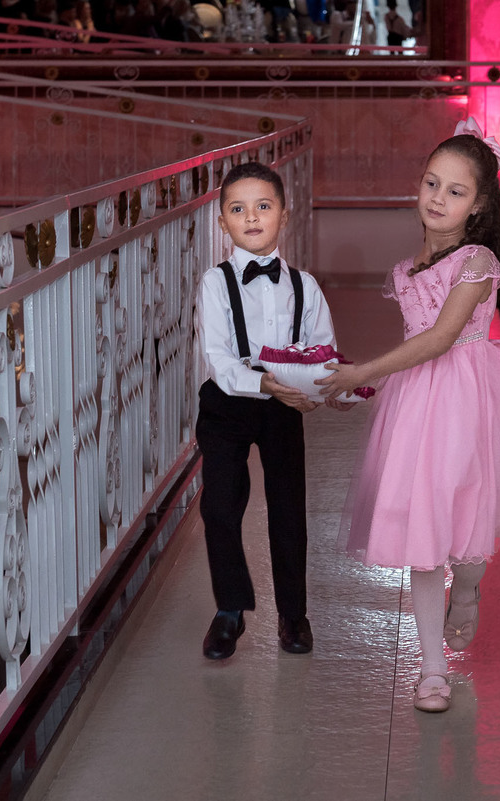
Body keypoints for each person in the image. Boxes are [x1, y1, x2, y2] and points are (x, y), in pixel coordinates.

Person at [316, 118, 500, 712]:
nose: (437, 198)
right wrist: (367, 384)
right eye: (431, 183)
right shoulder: (412, 263)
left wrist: (365, 371)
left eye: (454, 191)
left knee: (465, 528)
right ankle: (432, 666)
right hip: (417, 406)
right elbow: (415, 342)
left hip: (466, 399)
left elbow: (439, 338)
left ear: (479, 204)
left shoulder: (477, 261)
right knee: (425, 529)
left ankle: (469, 593)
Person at [194, 162, 341, 660]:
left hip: (282, 410)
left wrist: (320, 391)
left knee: (288, 507)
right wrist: (267, 383)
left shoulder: (306, 286)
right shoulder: (214, 285)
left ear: (284, 214)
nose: (251, 217)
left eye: (263, 206)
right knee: (220, 505)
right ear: (222, 222)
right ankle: (230, 610)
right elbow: (217, 358)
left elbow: (323, 352)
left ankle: (293, 614)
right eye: (238, 209)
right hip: (227, 405)